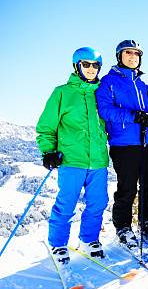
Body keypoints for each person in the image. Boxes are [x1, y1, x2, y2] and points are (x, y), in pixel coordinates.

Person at [36, 47, 109, 265]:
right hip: (71, 160)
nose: (91, 69)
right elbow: (46, 126)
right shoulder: (62, 93)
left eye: (95, 65)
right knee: (66, 203)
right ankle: (58, 244)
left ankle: (89, 240)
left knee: (98, 202)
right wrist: (48, 151)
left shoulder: (101, 93)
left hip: (98, 160)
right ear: (77, 66)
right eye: (86, 64)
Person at [95, 39, 148, 247]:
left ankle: (146, 221)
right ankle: (123, 226)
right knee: (128, 186)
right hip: (124, 143)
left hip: (147, 142)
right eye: (128, 53)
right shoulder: (108, 81)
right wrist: (134, 116)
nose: (132, 57)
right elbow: (105, 110)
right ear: (119, 56)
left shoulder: (142, 84)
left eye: (136, 54)